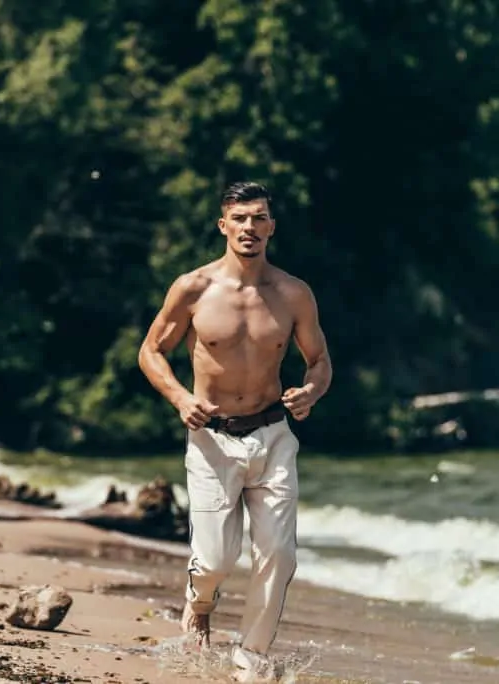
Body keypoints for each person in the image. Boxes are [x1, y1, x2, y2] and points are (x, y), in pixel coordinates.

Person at [137, 181, 332, 679]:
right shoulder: (194, 288)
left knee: (279, 556)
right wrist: (181, 398)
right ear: (223, 225)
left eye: (259, 217)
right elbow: (150, 351)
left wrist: (310, 392)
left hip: (273, 435)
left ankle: (251, 659)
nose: (250, 227)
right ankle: (200, 601)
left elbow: (319, 361)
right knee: (217, 560)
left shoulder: (293, 293)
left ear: (272, 226)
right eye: (240, 218)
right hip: (211, 439)